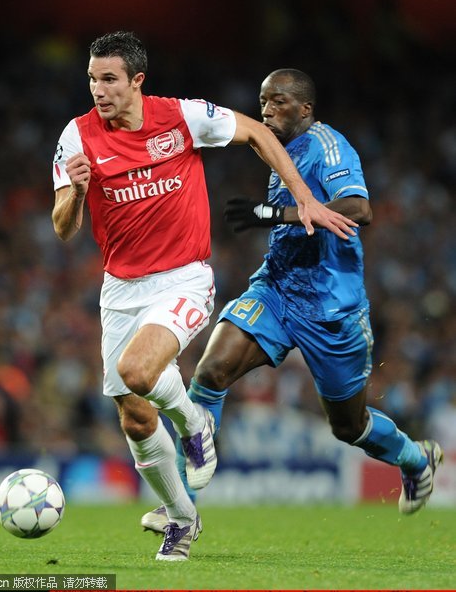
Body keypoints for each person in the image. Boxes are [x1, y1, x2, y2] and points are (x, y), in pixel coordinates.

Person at [51, 34, 357, 562]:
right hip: (120, 287)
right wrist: (76, 191)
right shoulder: (76, 136)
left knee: (140, 372)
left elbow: (258, 132)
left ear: (136, 81)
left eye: (109, 80)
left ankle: (195, 423)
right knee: (135, 417)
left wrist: (305, 198)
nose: (98, 91)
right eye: (92, 80)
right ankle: (183, 519)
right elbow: (63, 228)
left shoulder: (182, 117)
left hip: (183, 277)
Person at [141, 68, 443, 534]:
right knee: (211, 370)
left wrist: (273, 213)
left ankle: (413, 456)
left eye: (278, 102)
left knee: (348, 425)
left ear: (305, 108)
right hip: (278, 289)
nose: (266, 110)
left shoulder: (329, 147)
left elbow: (359, 209)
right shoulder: (279, 149)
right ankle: (182, 507)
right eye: (263, 101)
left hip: (331, 309)